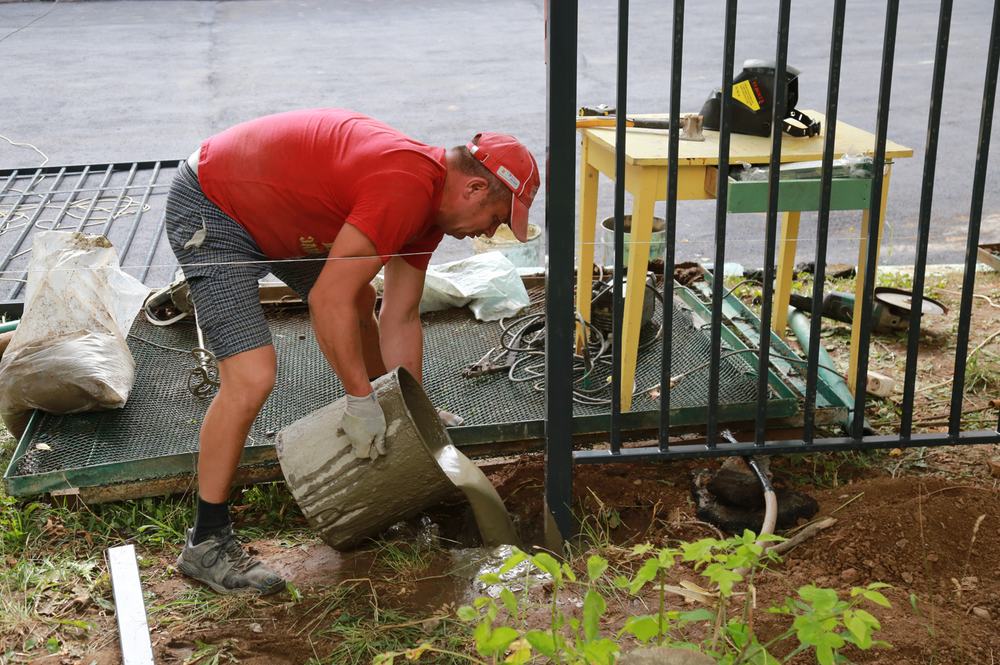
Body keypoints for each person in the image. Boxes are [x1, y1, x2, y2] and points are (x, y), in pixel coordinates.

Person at [163, 108, 539, 596]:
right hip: (214, 203)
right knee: (252, 376)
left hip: (274, 211)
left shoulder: (428, 216)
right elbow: (326, 300)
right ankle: (206, 542)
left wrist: (410, 416)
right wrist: (360, 400)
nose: (491, 233)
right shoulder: (404, 186)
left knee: (360, 295)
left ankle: (385, 411)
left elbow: (399, 315)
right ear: (474, 189)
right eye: (496, 218)